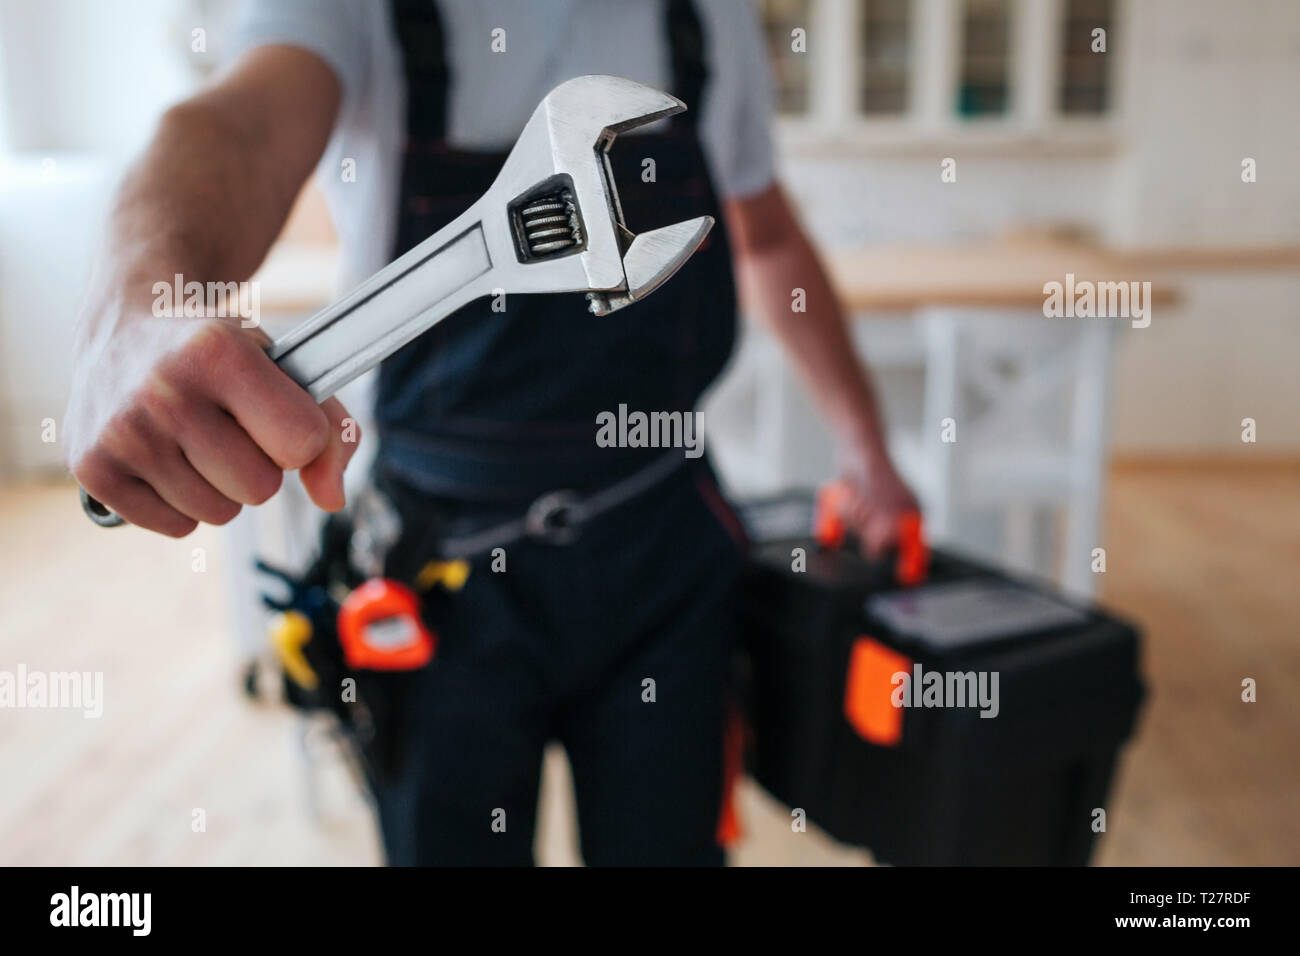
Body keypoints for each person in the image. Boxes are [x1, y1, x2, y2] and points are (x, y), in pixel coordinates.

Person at [63, 0, 917, 865]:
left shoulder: (709, 17)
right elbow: (237, 129)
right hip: (441, 570)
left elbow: (764, 236)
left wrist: (868, 449)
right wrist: (142, 297)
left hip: (664, 549)